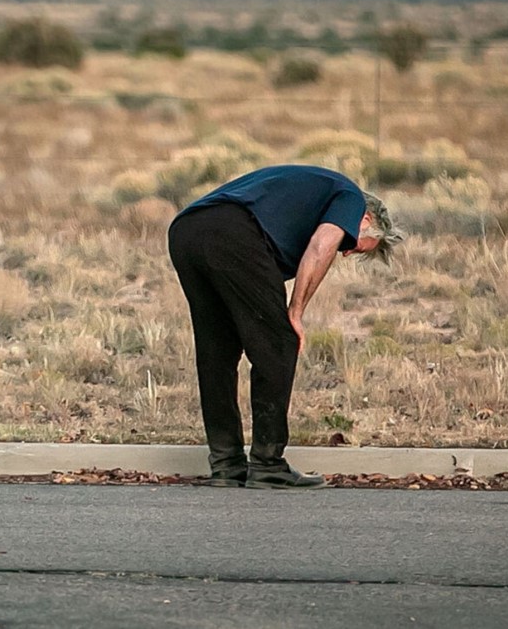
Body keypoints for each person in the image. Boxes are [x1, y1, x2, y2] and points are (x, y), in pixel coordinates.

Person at [167, 164, 403, 489]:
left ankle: (227, 466)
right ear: (366, 220)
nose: (346, 252)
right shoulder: (350, 197)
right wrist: (295, 312)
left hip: (186, 230)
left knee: (217, 353)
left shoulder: (310, 196)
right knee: (279, 343)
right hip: (232, 231)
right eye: (354, 244)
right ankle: (267, 465)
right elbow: (321, 246)